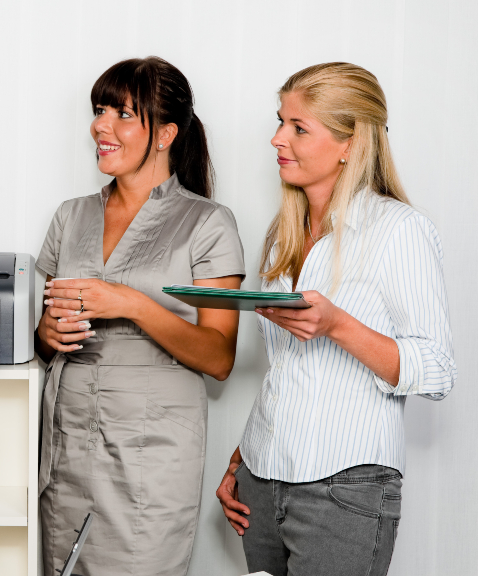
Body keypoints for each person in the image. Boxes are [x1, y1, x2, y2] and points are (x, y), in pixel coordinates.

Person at [215, 62, 456, 576]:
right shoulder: (283, 234)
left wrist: (338, 325)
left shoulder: (400, 231)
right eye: (280, 121)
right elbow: (287, 370)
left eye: (299, 128)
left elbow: (437, 371)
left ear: (351, 143)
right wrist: (244, 456)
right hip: (261, 481)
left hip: (345, 492)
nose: (277, 138)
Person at [36, 57, 246, 576]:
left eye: (123, 114)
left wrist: (129, 303)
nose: (101, 126)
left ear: (165, 133)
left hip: (151, 462)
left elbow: (219, 358)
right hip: (66, 446)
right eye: (100, 110)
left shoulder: (207, 223)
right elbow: (38, 336)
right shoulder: (71, 215)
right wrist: (46, 332)